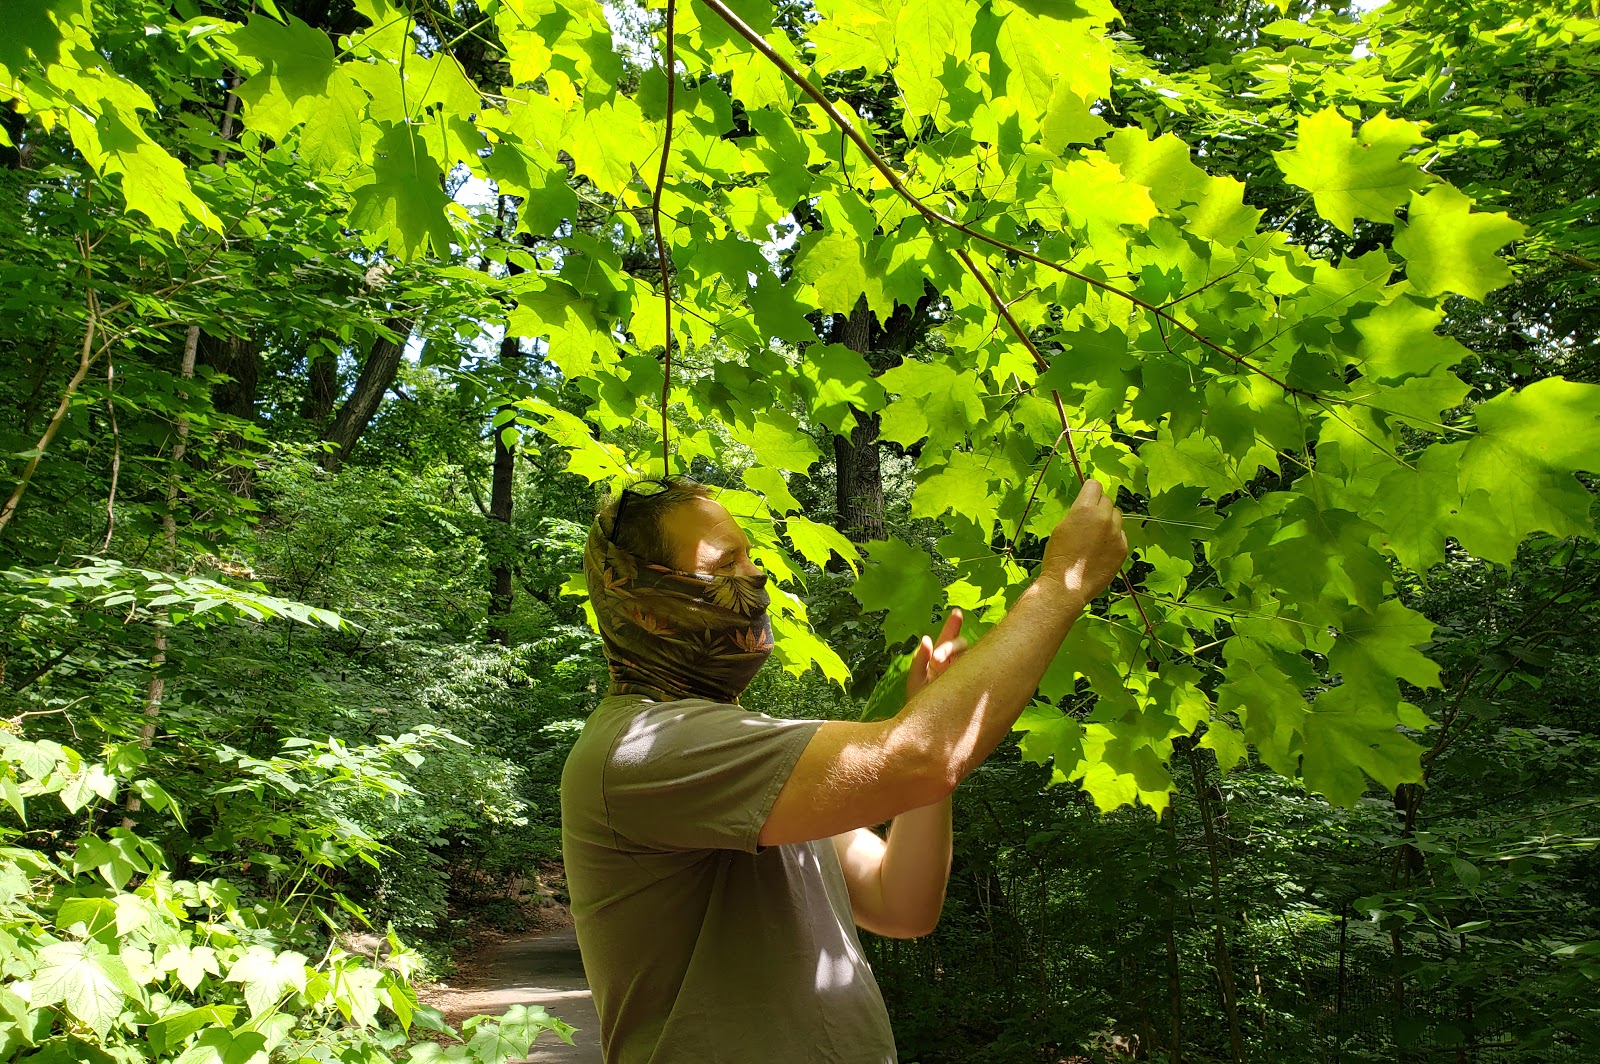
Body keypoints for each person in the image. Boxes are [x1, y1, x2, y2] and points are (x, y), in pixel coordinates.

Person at [560, 475, 1127, 1064]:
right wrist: (1064, 583)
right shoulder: (643, 749)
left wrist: (921, 745)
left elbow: (898, 902)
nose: (755, 578)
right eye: (726, 563)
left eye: (751, 557)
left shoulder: (747, 756)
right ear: (650, 598)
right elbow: (917, 759)